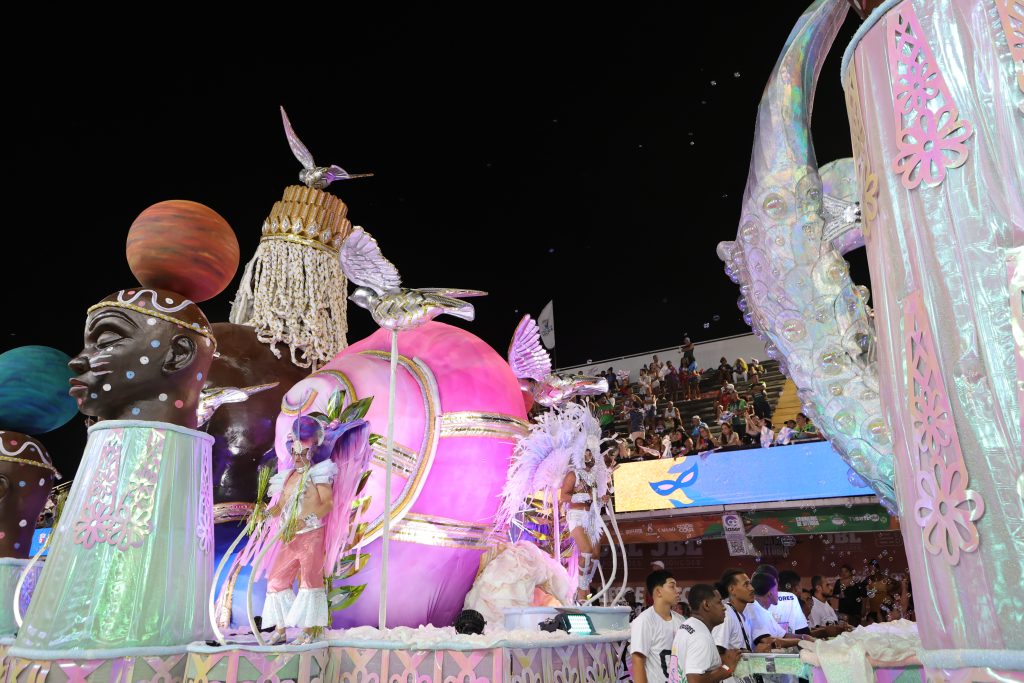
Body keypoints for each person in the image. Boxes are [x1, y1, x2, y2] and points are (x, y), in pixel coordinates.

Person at [561, 448, 608, 603]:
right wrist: (585, 495)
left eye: (590, 453)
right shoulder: (573, 475)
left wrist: (602, 499)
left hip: (592, 516)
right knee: (586, 552)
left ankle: (585, 587)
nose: (589, 456)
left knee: (595, 555)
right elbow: (564, 496)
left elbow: (594, 499)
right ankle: (581, 591)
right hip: (577, 516)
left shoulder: (592, 477)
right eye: (586, 453)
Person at [671, 584, 741, 683]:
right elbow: (694, 681)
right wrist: (727, 668)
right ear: (706, 605)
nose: (724, 607)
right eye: (719, 602)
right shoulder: (701, 636)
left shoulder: (687, 625)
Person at [631, 570, 685, 683]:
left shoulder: (680, 620)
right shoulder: (644, 621)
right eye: (672, 586)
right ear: (658, 591)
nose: (678, 590)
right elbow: (638, 661)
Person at [712, 569, 768, 662]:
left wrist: (754, 654)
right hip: (730, 676)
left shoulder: (740, 615)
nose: (751, 588)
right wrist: (755, 654)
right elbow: (716, 653)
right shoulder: (726, 615)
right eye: (746, 584)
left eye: (750, 584)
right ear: (732, 589)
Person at [747, 573, 805, 650]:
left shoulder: (764, 611)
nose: (778, 593)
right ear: (770, 593)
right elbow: (768, 641)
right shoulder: (754, 610)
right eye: (776, 590)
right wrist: (799, 641)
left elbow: (783, 635)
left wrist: (804, 637)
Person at [771, 570, 810, 636]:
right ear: (795, 588)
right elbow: (804, 632)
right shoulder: (795, 600)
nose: (800, 590)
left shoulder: (767, 599)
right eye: (799, 586)